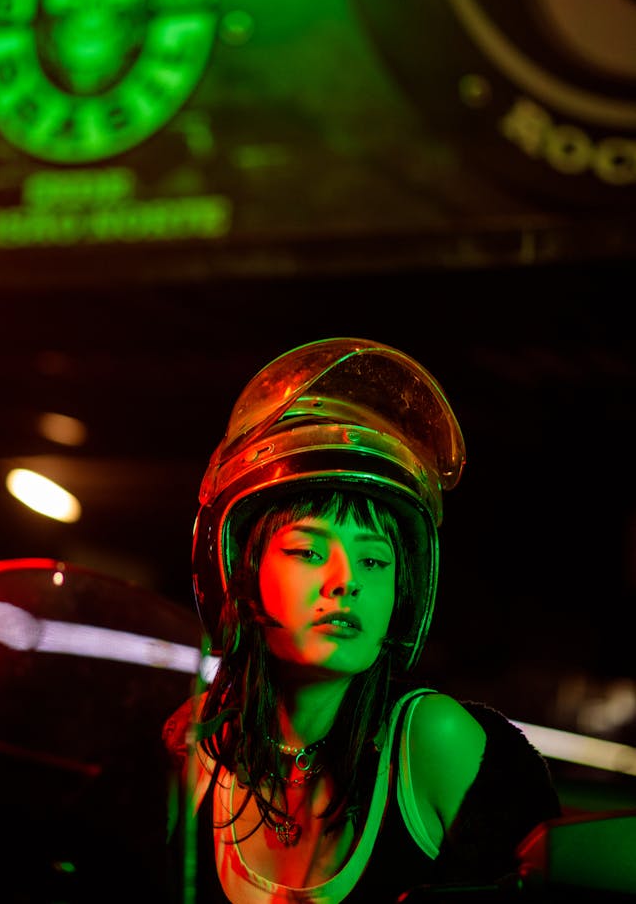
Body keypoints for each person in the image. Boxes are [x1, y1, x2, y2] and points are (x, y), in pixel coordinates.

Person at [162, 338, 560, 903]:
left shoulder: (431, 741)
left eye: (373, 560)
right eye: (308, 551)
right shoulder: (196, 751)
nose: (346, 581)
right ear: (239, 573)